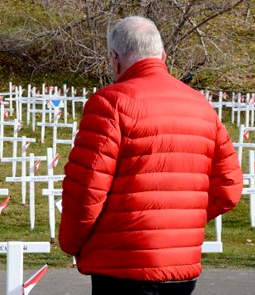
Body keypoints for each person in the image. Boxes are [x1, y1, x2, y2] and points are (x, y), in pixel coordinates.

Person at [58, 16, 243, 295]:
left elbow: (87, 190)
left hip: (124, 266)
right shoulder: (201, 105)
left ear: (115, 58)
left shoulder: (110, 103)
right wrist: (177, 225)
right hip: (181, 268)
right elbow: (229, 188)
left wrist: (71, 244)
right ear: (163, 56)